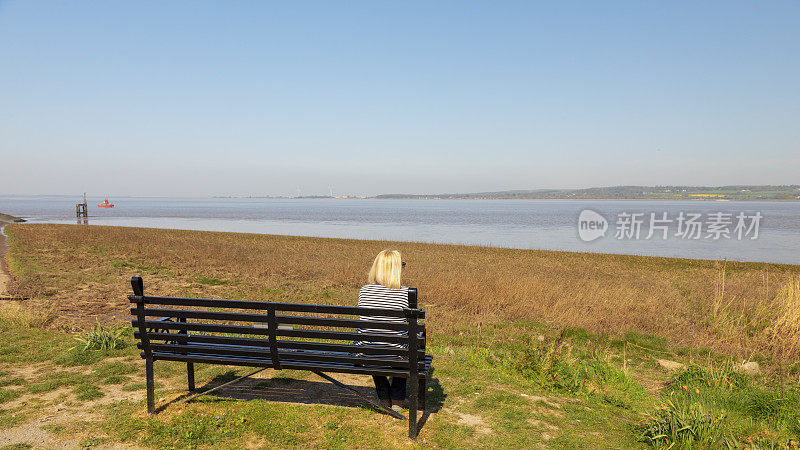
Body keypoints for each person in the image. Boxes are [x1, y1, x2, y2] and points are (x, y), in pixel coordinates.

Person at [357, 249, 409, 411]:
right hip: (397, 355)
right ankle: (398, 399)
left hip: (369, 354)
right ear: (396, 269)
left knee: (372, 340)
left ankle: (384, 396)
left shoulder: (365, 291)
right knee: (407, 343)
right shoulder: (406, 293)